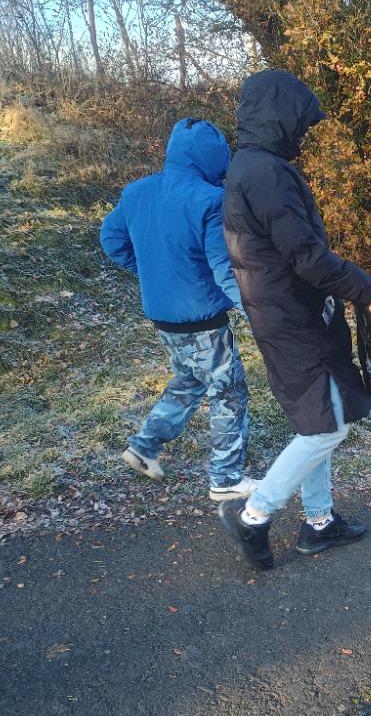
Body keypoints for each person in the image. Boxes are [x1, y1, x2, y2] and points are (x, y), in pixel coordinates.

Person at [219, 69, 371, 569]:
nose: (304, 132)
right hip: (293, 319)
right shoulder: (265, 173)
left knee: (321, 418)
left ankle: (319, 523)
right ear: (281, 117)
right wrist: (370, 293)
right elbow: (306, 256)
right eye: (300, 121)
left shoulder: (252, 166)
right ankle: (254, 515)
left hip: (292, 314)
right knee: (325, 428)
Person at [100, 117, 257, 502]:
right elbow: (224, 269)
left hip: (163, 317)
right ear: (214, 157)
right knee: (229, 392)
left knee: (189, 379)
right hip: (202, 319)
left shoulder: (136, 193)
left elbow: (111, 239)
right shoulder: (210, 199)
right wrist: (258, 312)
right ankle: (226, 478)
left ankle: (143, 447)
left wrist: (150, 273)